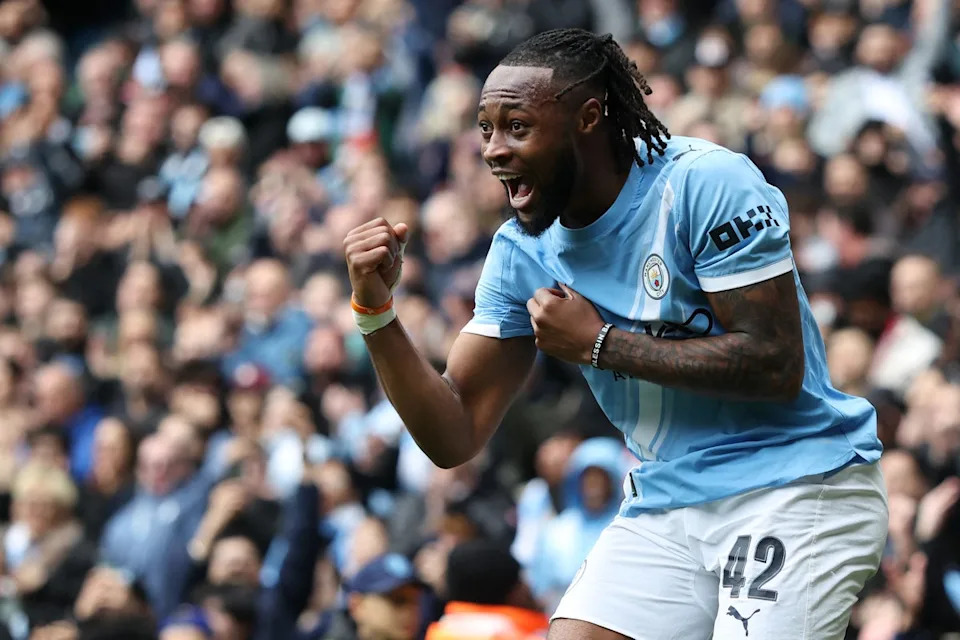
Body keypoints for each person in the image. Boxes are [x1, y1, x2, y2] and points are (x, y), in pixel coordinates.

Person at [343, 28, 887, 640]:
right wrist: (376, 312)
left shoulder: (704, 183)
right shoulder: (521, 253)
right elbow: (454, 431)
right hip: (669, 497)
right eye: (485, 128)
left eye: (517, 126)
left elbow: (776, 363)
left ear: (589, 118)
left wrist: (603, 345)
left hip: (796, 483)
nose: (493, 150)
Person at [425, 540, 549, 640]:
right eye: (520, 581)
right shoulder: (520, 635)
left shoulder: (442, 631)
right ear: (513, 592)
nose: (528, 587)